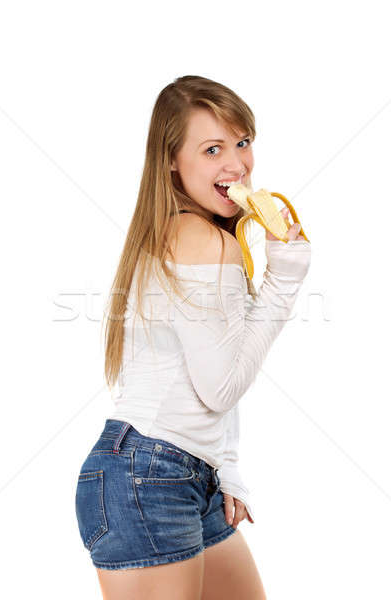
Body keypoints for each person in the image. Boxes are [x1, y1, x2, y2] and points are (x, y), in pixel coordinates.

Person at [75, 75, 311, 599]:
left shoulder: (177, 232)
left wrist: (224, 469)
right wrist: (286, 278)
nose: (237, 165)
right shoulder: (203, 240)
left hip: (175, 474)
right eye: (212, 149)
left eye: (242, 142)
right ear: (171, 162)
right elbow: (220, 387)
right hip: (149, 478)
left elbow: (199, 369)